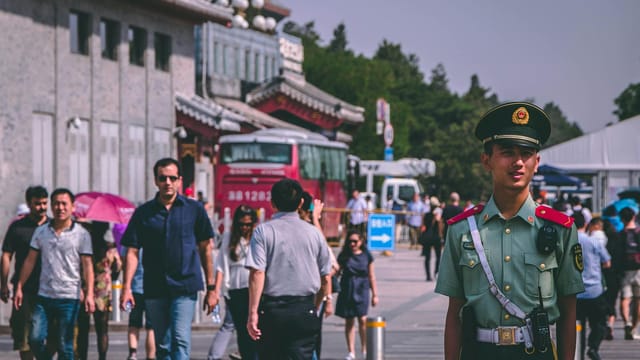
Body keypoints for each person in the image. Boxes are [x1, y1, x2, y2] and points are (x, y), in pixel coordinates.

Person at [435, 102, 585, 360]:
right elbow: (454, 313)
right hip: (479, 352)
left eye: (526, 153)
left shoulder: (558, 229)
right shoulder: (462, 230)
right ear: (487, 160)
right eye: (506, 152)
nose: (517, 162)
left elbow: (568, 312)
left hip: (535, 352)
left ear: (536, 162)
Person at [120, 157, 216, 360]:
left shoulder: (194, 210)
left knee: (180, 340)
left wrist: (212, 288)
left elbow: (205, 248)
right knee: (163, 344)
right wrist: (127, 288)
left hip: (185, 285)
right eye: (163, 178)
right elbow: (132, 252)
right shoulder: (144, 213)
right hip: (155, 287)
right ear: (156, 181)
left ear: (180, 180)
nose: (168, 183)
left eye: (173, 178)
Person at [245, 178, 332, 359]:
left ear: (272, 203)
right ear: (301, 202)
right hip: (304, 309)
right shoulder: (314, 233)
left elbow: (257, 273)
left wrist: (252, 312)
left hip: (272, 310)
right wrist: (316, 306)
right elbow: (326, 276)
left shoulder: (263, 231)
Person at [14, 188, 95, 360]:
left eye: (64, 204)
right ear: (51, 206)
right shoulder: (41, 232)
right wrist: (19, 286)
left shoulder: (82, 234)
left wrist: (89, 294)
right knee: (35, 339)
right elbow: (30, 261)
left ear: (72, 207)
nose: (60, 208)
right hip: (44, 296)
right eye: (56, 204)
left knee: (65, 345)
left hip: (69, 297)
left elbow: (87, 265)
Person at [1, 186, 51, 360]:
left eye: (45, 203)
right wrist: (4, 284)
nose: (42, 207)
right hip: (25, 290)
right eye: (38, 204)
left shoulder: (53, 227)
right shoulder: (18, 228)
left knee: (47, 336)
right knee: (24, 337)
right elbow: (7, 255)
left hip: (50, 289)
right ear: (29, 204)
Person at [210, 205, 259, 360]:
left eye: (248, 224)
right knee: (236, 328)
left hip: (253, 290)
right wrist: (216, 291)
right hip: (236, 290)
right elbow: (221, 266)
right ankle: (215, 356)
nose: (244, 227)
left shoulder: (258, 238)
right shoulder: (229, 237)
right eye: (241, 224)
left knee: (253, 328)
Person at [299, 192, 338, 360]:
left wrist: (327, 299)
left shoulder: (310, 231)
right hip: (307, 296)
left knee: (309, 338)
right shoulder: (304, 229)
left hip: (311, 296)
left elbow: (330, 266)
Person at [76, 221, 122, 360]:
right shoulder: (110, 249)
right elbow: (117, 271)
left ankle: (82, 357)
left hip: (85, 290)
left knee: (83, 330)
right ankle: (102, 357)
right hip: (102, 294)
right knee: (102, 330)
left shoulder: (84, 248)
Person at [335, 230, 379, 360]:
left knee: (362, 319)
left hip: (362, 289)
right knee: (349, 321)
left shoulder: (367, 255)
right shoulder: (344, 255)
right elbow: (336, 273)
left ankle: (364, 349)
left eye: (355, 241)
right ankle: (351, 351)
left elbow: (372, 276)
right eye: (350, 241)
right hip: (347, 289)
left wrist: (375, 294)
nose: (352, 244)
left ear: (361, 241)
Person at [574, 212, 610, 360]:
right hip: (594, 291)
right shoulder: (594, 242)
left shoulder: (565, 242)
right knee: (599, 324)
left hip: (573, 292)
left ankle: (575, 352)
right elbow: (607, 262)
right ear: (586, 224)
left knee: (572, 325)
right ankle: (593, 347)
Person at [123, 246, 156, 360]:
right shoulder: (154, 241)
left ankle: (133, 354)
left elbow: (125, 262)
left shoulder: (132, 244)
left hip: (134, 290)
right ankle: (150, 356)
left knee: (133, 324)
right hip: (152, 289)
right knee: (151, 327)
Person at [617, 207, 640, 340]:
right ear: (633, 217)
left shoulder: (620, 234)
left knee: (625, 299)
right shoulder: (638, 232)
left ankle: (627, 322)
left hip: (625, 270)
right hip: (638, 270)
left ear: (622, 219)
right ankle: (634, 329)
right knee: (638, 300)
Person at [421, 198, 444, 281]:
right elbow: (440, 229)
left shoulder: (426, 215)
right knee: (438, 256)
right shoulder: (437, 216)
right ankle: (436, 272)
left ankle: (428, 275)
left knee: (427, 257)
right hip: (436, 238)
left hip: (427, 238)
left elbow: (423, 226)